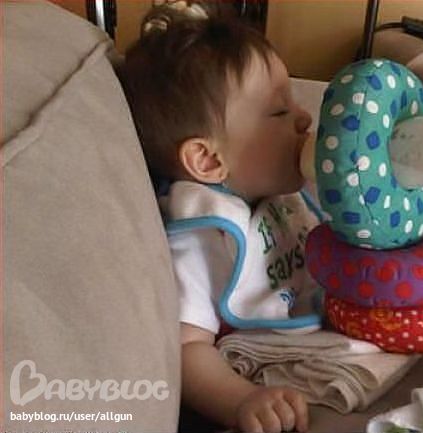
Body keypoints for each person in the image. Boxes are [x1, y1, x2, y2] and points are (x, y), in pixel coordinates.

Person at [117, 3, 320, 432]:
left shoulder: (276, 200)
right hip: (251, 376)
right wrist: (241, 400)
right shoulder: (205, 235)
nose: (304, 117)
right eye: (280, 111)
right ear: (208, 160)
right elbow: (188, 348)